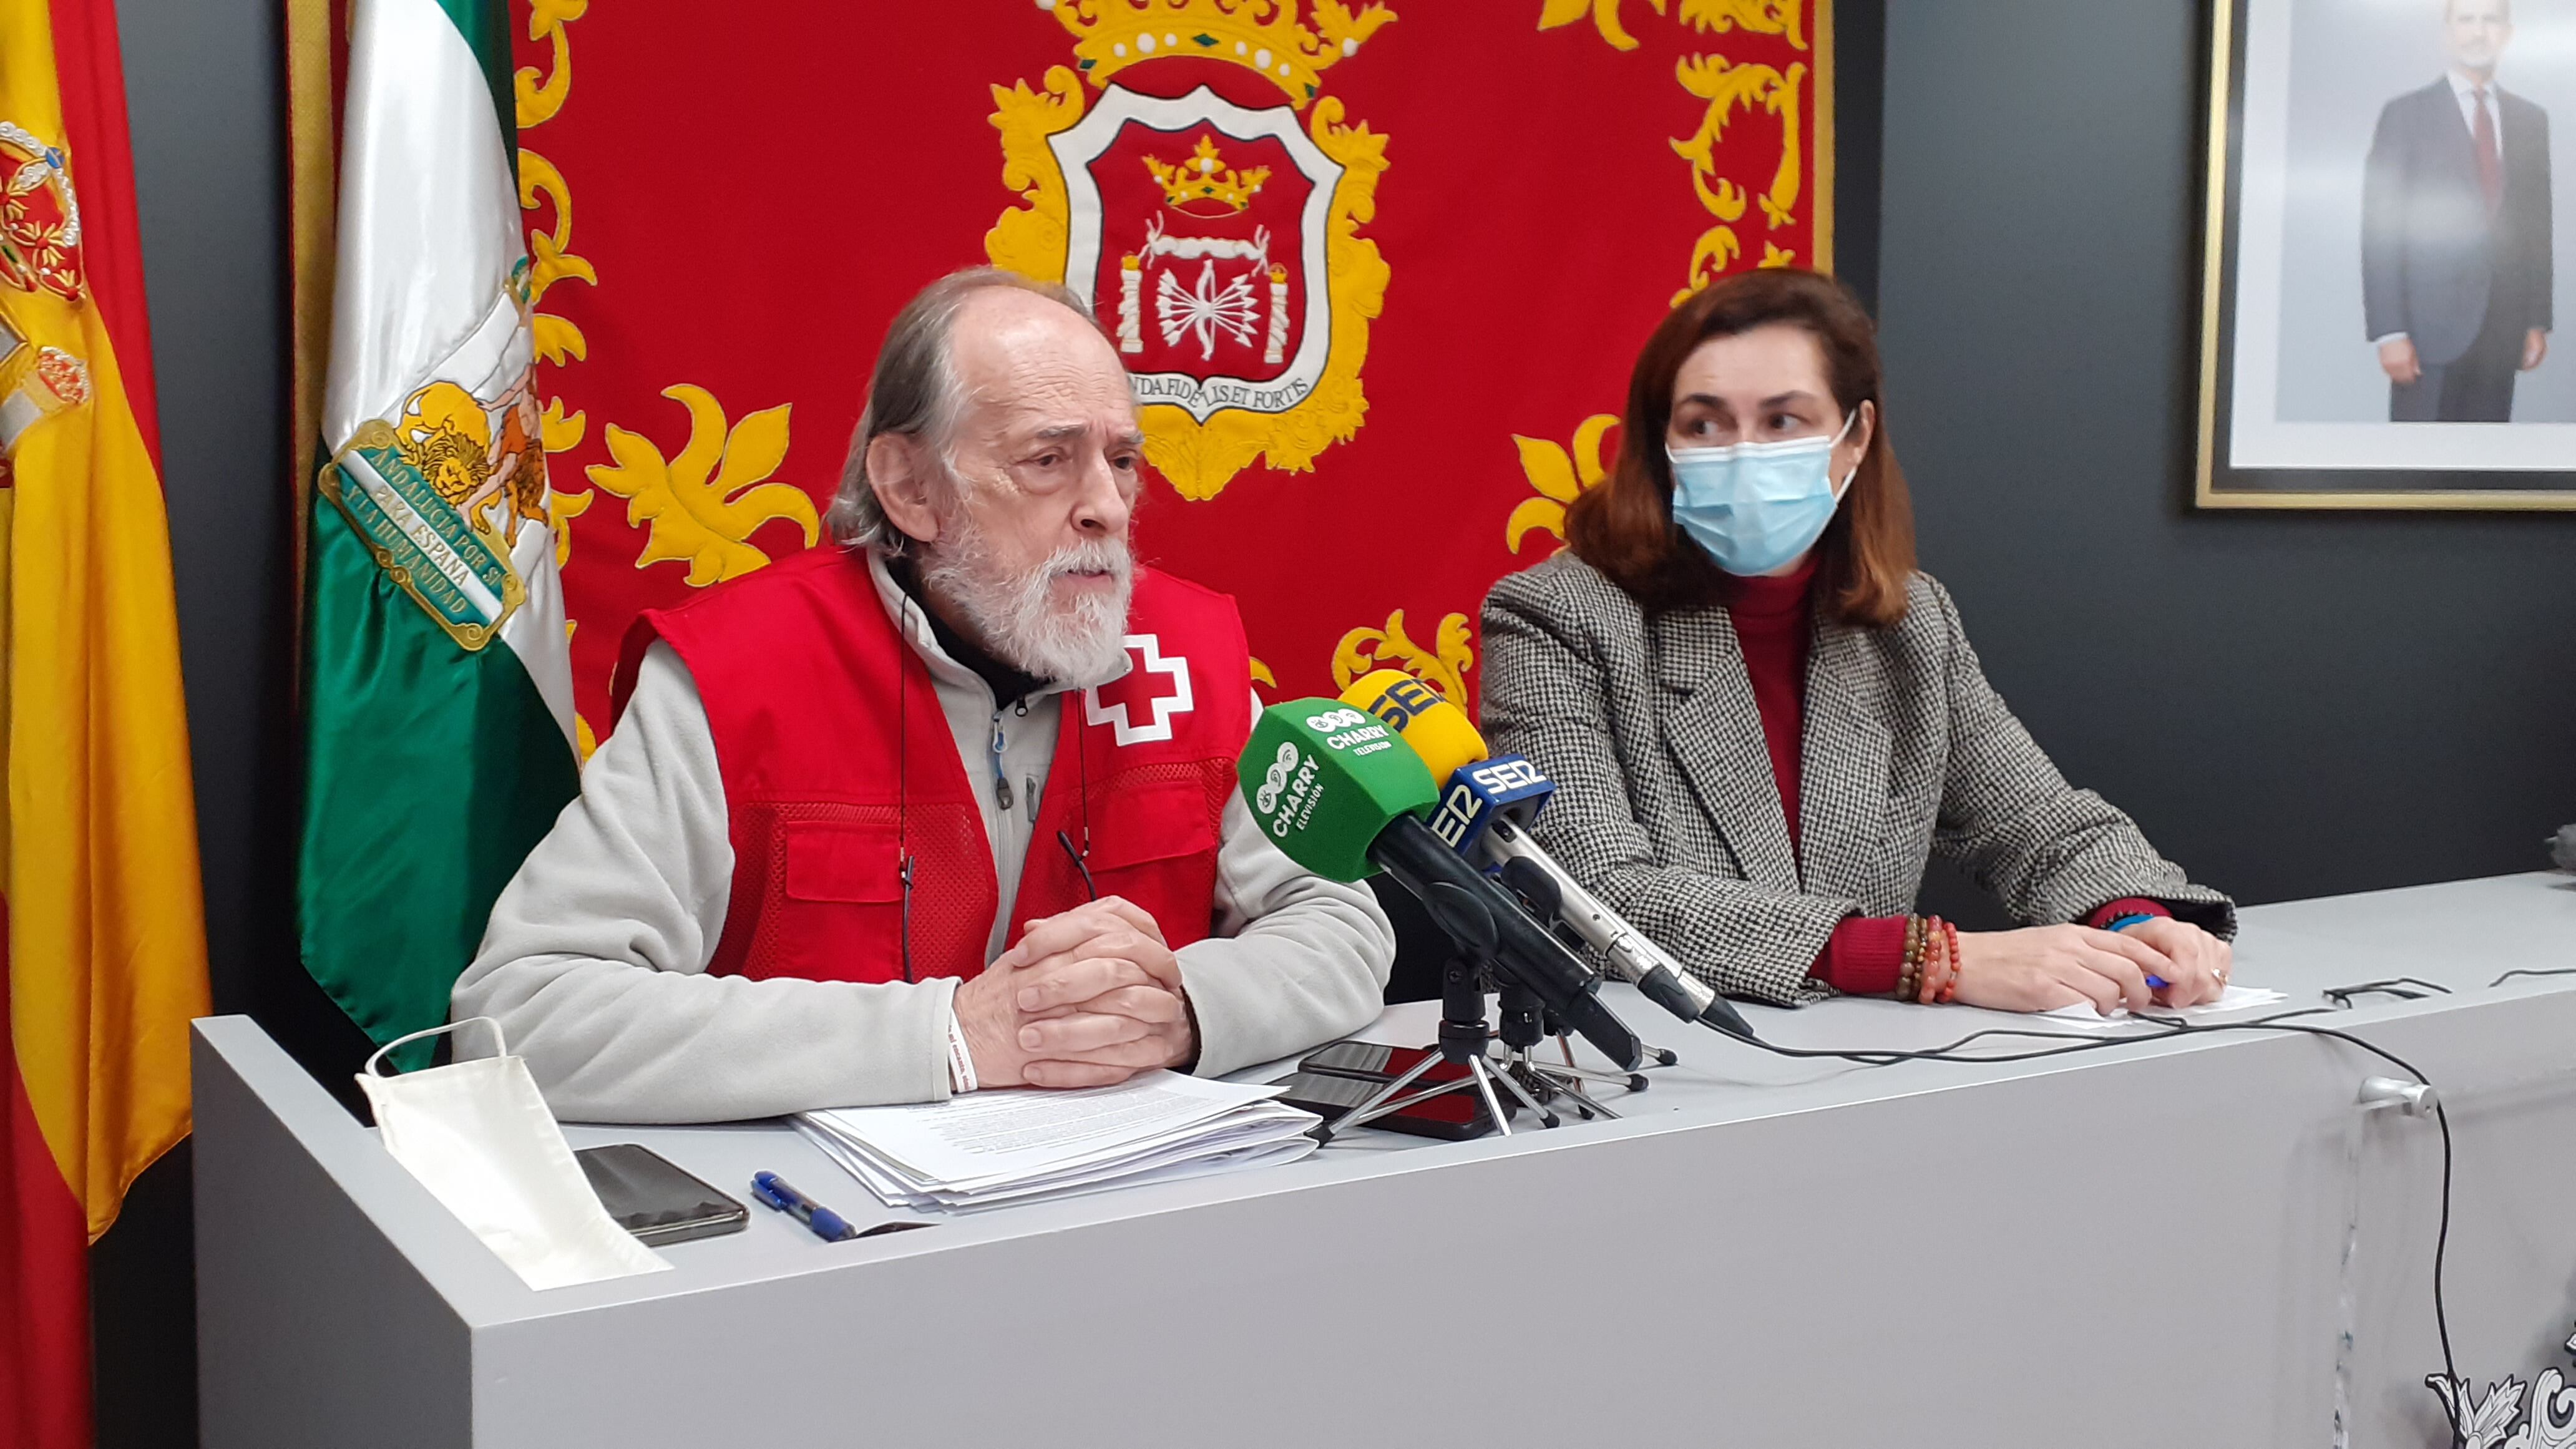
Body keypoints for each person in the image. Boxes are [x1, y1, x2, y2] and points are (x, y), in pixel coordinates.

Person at [456, 268, 1395, 1122]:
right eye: (1048, 459)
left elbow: (1343, 921)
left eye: (1122, 460)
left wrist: (1184, 1009)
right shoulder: (737, 673)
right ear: (910, 488)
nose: (1107, 504)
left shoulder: (1184, 651)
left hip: (1140, 1218)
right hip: (827, 1254)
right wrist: (952, 1033)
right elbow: (525, 1014)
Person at [1480, 269, 2235, 1017]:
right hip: (1653, 1060)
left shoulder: (1911, 623)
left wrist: (2137, 923)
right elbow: (1591, 888)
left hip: (1868, 1073)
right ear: (1662, 443)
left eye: (1783, 422)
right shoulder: (1557, 615)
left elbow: (2038, 822)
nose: (1743, 452)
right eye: (1705, 423)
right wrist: (1928, 960)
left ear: (1854, 438)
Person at [2363, 0, 2552, 422]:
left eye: (2490, 20)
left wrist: (2536, 319)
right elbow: (2381, 227)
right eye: (2466, 20)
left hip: (2502, 330)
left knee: (2484, 470)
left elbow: (2538, 227)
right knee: (2418, 473)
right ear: (2447, 32)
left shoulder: (2531, 120)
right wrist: (2391, 332)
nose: (2478, 31)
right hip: (2427, 332)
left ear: (2508, 33)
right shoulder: (2405, 115)